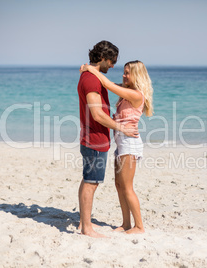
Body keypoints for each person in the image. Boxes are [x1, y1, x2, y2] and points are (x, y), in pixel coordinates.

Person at [80, 60, 154, 234]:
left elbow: (106, 83)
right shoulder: (128, 90)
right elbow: (108, 84)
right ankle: (126, 224)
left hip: (130, 144)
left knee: (127, 186)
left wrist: (90, 69)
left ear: (137, 75)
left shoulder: (136, 95)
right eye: (124, 72)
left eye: (128, 73)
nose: (124, 75)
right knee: (119, 185)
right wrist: (88, 72)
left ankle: (139, 226)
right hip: (121, 143)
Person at [77, 41, 138, 238]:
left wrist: (89, 69)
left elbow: (111, 86)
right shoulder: (92, 80)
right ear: (103, 58)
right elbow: (97, 115)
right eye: (111, 61)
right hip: (95, 138)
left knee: (89, 180)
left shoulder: (92, 77)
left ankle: (84, 224)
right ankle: (86, 228)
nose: (113, 66)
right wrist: (122, 128)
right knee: (91, 182)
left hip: (94, 137)